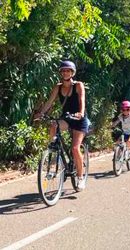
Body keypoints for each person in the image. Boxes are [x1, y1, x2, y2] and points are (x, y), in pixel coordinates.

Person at [34, 60, 90, 190]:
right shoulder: (58, 87)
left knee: (75, 148)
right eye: (63, 70)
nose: (65, 73)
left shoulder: (78, 85)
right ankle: (53, 149)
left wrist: (80, 113)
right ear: (61, 73)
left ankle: (80, 178)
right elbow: (49, 102)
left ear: (72, 72)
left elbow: (82, 99)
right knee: (54, 124)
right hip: (67, 118)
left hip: (79, 119)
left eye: (68, 70)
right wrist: (41, 113)